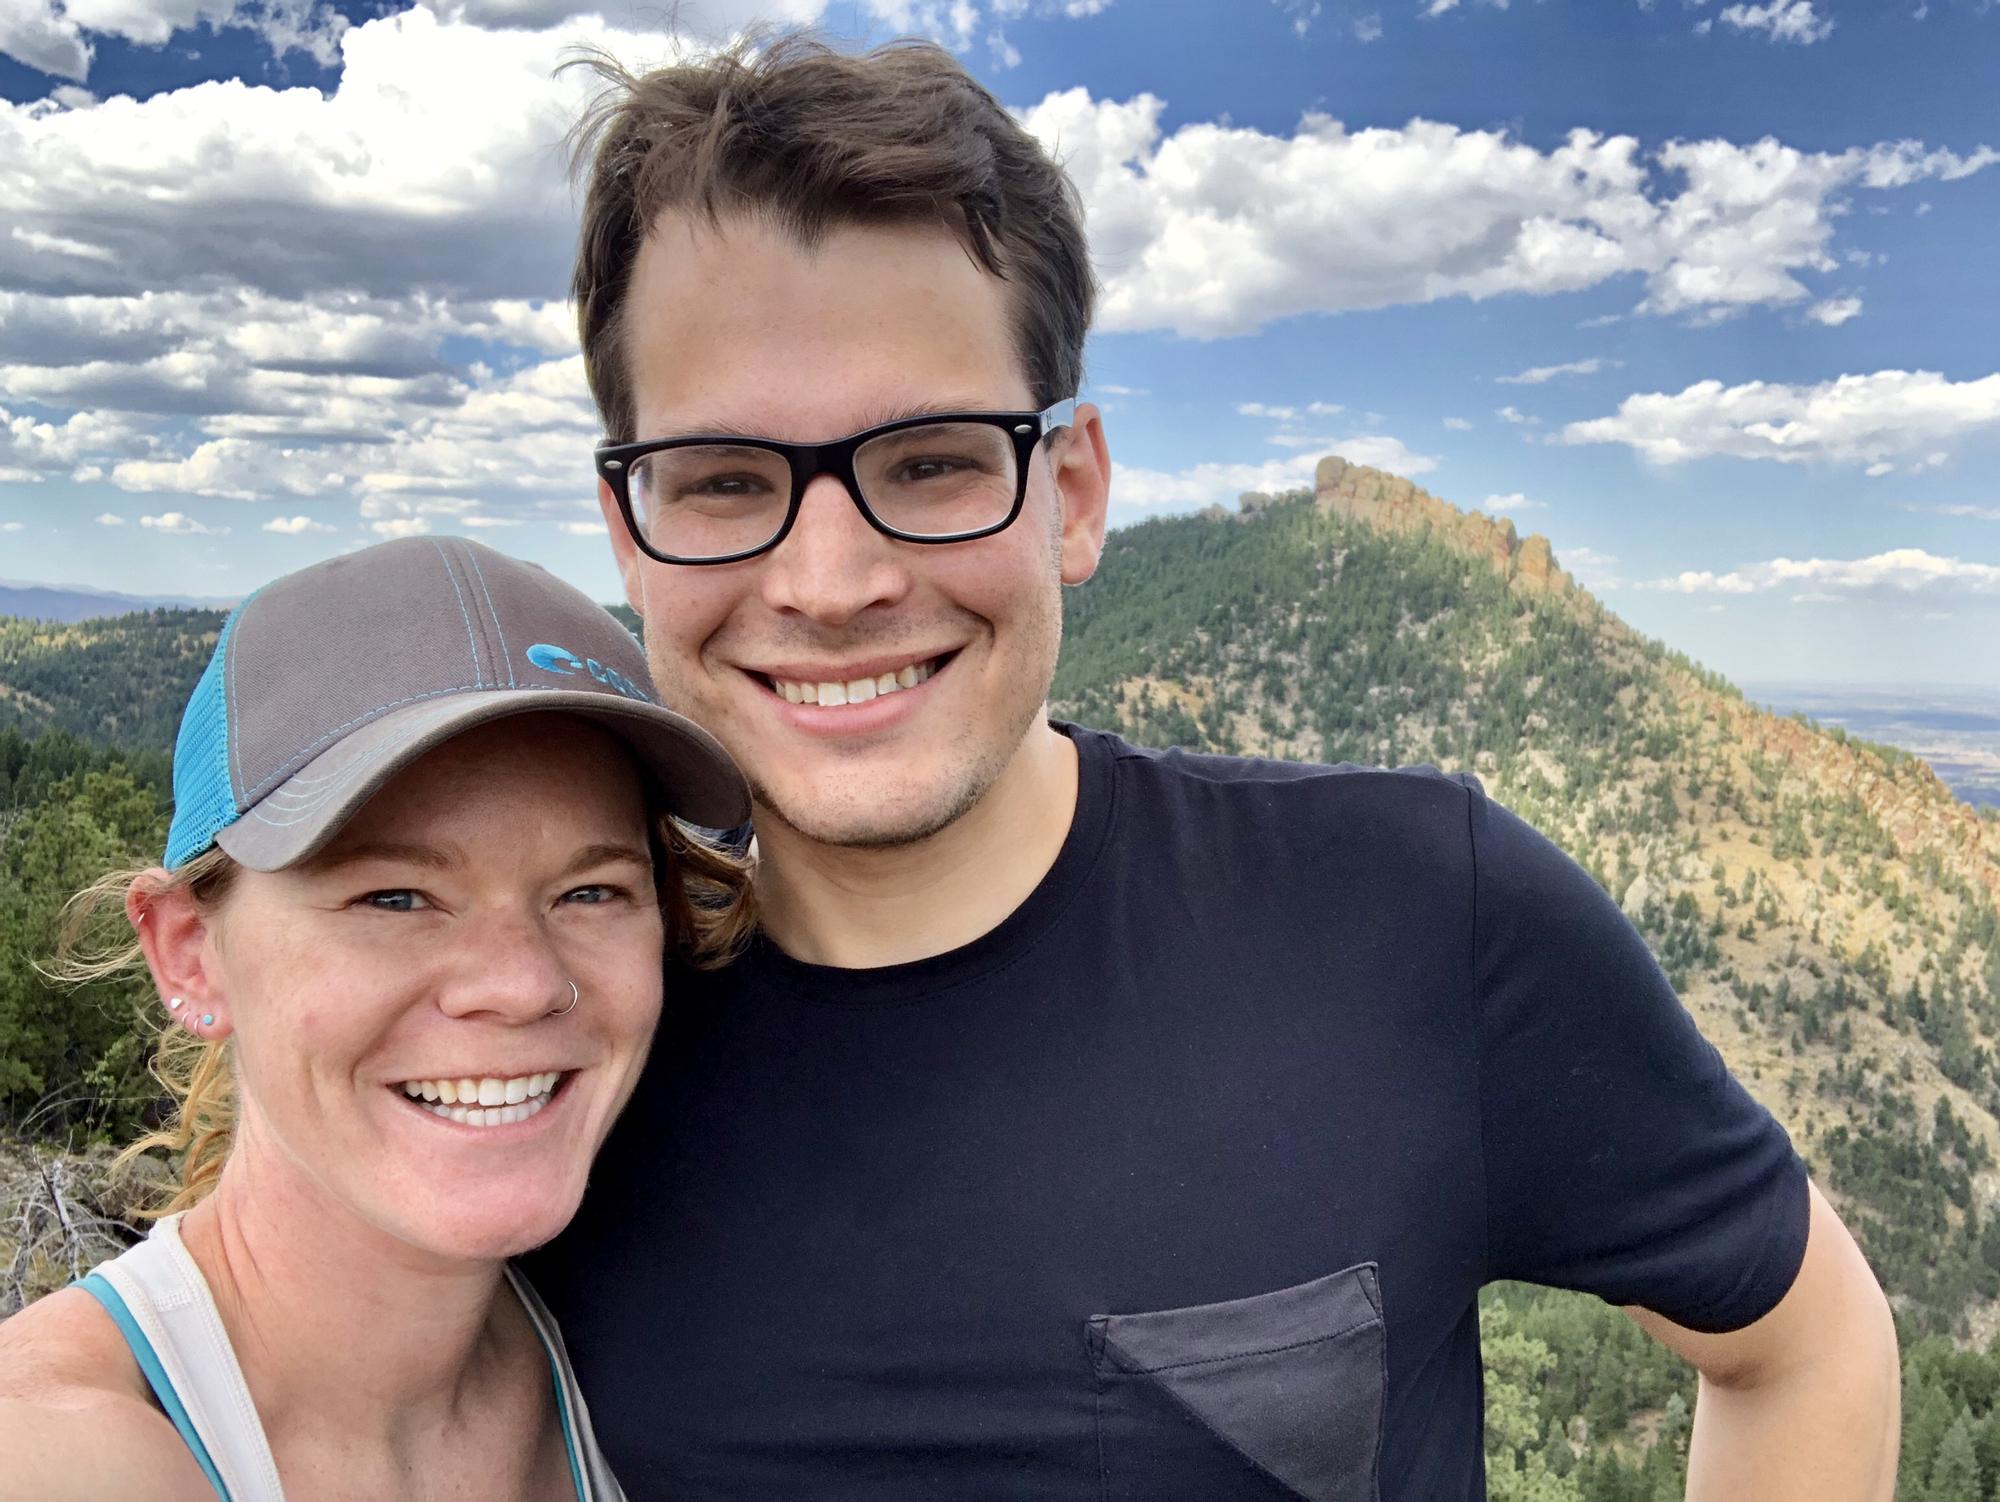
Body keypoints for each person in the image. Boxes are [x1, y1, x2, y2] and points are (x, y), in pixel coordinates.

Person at [526, 35, 1901, 1501]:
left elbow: (1806, 1342)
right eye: (725, 479)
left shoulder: (1415, 913)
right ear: (629, 527)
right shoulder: (542, 1038)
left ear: (1072, 491)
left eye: (930, 460)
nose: (829, 575)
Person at [0, 537, 750, 1501]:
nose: (521, 984)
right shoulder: (62, 1450)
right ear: (189, 951)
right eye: (395, 898)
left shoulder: (648, 1359)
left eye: (591, 892)